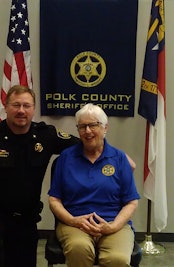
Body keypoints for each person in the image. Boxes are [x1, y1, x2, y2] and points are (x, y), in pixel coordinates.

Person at [0, 85, 79, 267]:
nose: (21, 111)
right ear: (6, 107)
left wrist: (116, 155)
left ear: (33, 109)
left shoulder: (45, 135)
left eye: (27, 106)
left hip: (25, 217)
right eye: (16, 105)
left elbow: (85, 145)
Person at [48, 103, 140, 267]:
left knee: (117, 259)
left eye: (93, 125)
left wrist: (113, 226)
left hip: (114, 223)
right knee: (79, 249)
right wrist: (73, 220)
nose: (88, 131)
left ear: (105, 128)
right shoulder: (66, 158)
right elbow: (54, 200)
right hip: (75, 224)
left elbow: (131, 201)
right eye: (82, 126)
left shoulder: (119, 159)